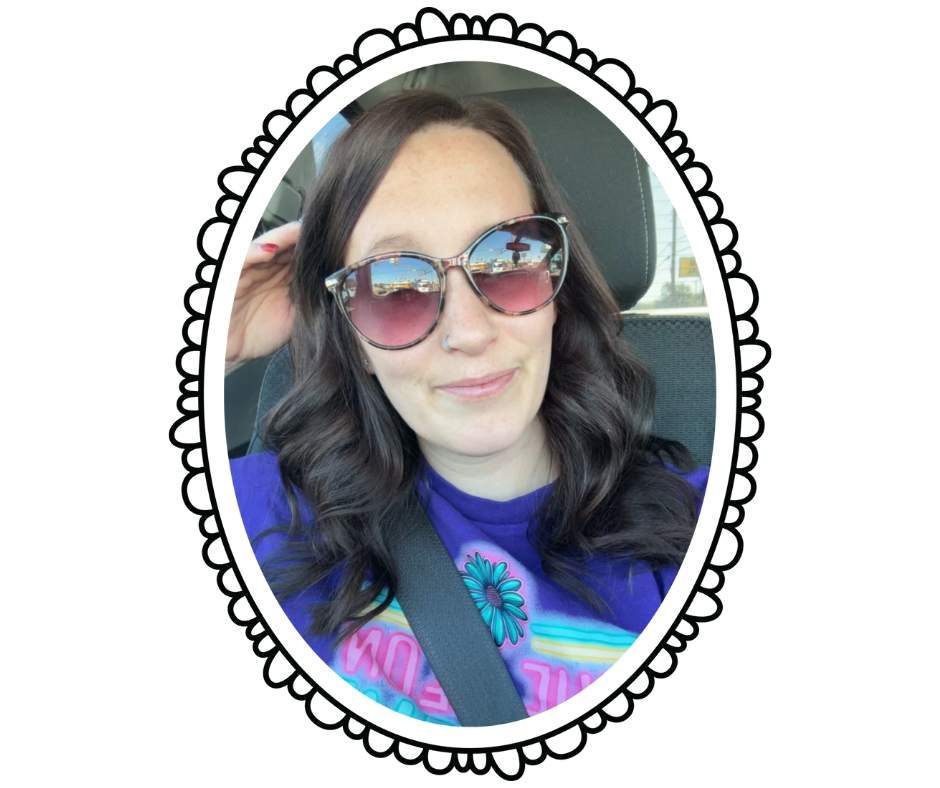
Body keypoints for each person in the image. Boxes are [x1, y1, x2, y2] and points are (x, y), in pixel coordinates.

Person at [226, 90, 710, 727]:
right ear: (354, 340)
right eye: (394, 286)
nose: (469, 333)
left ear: (557, 288)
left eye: (511, 258)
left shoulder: (684, 528)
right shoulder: (269, 514)